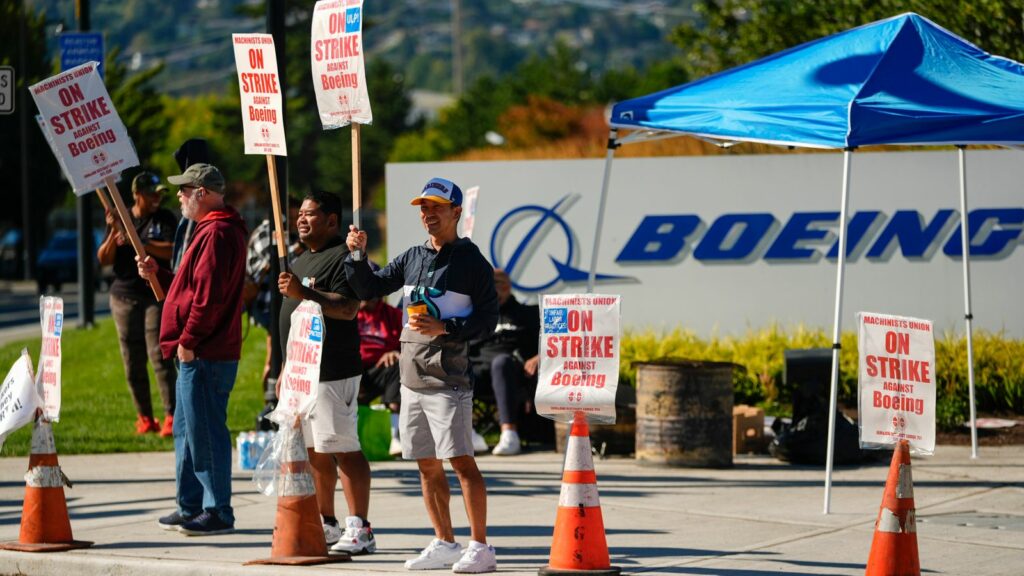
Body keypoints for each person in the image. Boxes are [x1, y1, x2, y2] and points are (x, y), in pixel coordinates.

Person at [345, 177, 499, 573]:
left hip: (449, 379)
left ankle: (480, 547)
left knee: (462, 462)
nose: (427, 214)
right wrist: (358, 256)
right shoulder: (412, 256)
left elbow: (488, 319)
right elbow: (371, 287)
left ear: (456, 212)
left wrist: (446, 329)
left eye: (436, 207)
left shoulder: (472, 262)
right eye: (423, 208)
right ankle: (444, 541)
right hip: (411, 379)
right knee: (426, 464)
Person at [137, 163, 247, 536]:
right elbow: (190, 288)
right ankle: (191, 506)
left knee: (206, 434)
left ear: (202, 192)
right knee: (187, 434)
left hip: (205, 352)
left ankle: (217, 511)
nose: (180, 196)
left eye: (185, 190)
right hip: (202, 350)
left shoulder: (216, 233)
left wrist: (188, 341)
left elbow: (208, 300)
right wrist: (159, 273)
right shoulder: (211, 230)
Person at [276, 191, 376, 554]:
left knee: (343, 448)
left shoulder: (343, 259)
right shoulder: (300, 260)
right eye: (299, 214)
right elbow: (291, 322)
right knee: (316, 451)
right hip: (303, 373)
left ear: (332, 220)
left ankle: (360, 527)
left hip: (334, 370)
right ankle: (328, 523)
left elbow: (348, 308)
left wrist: (304, 292)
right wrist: (285, 369)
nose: (301, 219)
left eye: (310, 214)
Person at [97, 172, 178, 436]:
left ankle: (171, 415)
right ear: (137, 195)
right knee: (132, 358)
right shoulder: (120, 218)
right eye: (152, 193)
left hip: (155, 293)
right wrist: (113, 233)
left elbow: (171, 249)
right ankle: (145, 417)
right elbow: (104, 259)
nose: (157, 198)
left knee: (160, 354)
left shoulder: (165, 218)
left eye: (159, 193)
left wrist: (137, 240)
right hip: (124, 296)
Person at [469, 269, 540, 456]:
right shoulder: (476, 315)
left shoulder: (528, 314)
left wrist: (539, 357)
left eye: (496, 283)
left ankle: (509, 434)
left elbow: (552, 342)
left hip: (512, 371)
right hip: (478, 371)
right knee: (458, 368)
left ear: (507, 287)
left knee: (501, 363)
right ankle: (465, 433)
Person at [355, 274, 403, 456]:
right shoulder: (349, 312)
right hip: (354, 369)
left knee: (397, 364)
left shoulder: (393, 315)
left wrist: (396, 352)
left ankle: (393, 436)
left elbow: (408, 345)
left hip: (380, 369)